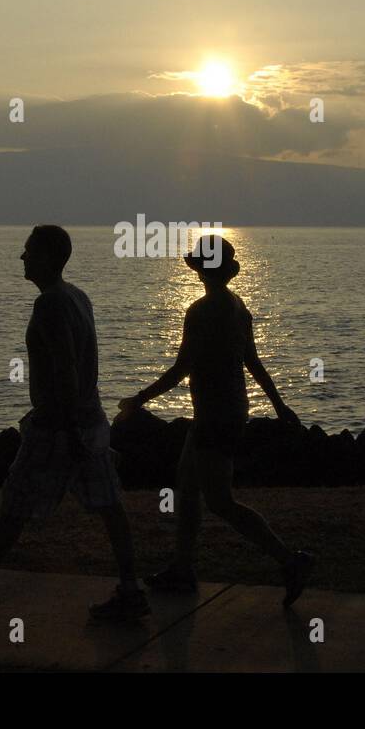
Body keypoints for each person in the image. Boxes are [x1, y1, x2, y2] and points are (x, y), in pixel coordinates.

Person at [0, 225, 150, 621]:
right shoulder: (78, 297)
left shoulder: (50, 304)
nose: (22, 257)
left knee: (16, 504)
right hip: (88, 419)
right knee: (109, 505)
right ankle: (130, 589)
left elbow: (65, 367)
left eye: (29, 251)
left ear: (47, 257)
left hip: (59, 426)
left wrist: (62, 427)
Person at [118, 235, 315, 607]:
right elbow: (253, 363)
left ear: (203, 270)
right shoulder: (239, 306)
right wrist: (278, 405)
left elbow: (181, 369)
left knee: (220, 501)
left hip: (215, 415)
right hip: (226, 411)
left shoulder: (202, 311)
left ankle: (291, 561)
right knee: (188, 489)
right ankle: (182, 569)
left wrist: (139, 400)